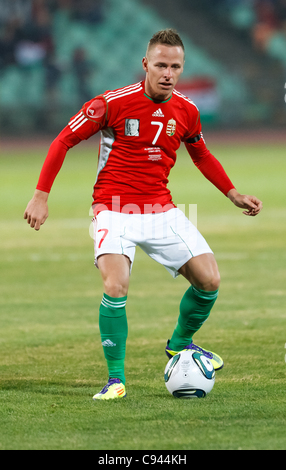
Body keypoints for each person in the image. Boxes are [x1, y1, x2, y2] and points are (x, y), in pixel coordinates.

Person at [24, 29, 262, 400]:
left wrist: (232, 193)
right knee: (116, 285)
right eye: (161, 65)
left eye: (176, 66)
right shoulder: (110, 104)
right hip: (113, 209)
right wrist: (41, 196)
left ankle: (180, 343)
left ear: (182, 68)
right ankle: (115, 379)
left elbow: (201, 154)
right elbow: (63, 140)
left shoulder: (186, 110)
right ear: (145, 64)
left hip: (160, 209)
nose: (168, 73)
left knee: (209, 280)